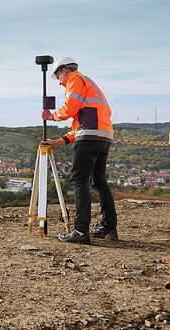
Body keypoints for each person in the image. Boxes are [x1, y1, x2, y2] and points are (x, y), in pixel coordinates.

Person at [40, 57, 118, 244]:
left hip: (89, 138)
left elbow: (70, 109)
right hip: (103, 137)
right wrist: (61, 141)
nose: (59, 82)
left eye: (58, 76)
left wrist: (52, 116)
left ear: (65, 70)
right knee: (99, 181)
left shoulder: (75, 79)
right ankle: (109, 227)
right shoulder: (89, 84)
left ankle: (81, 230)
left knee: (79, 180)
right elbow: (82, 124)